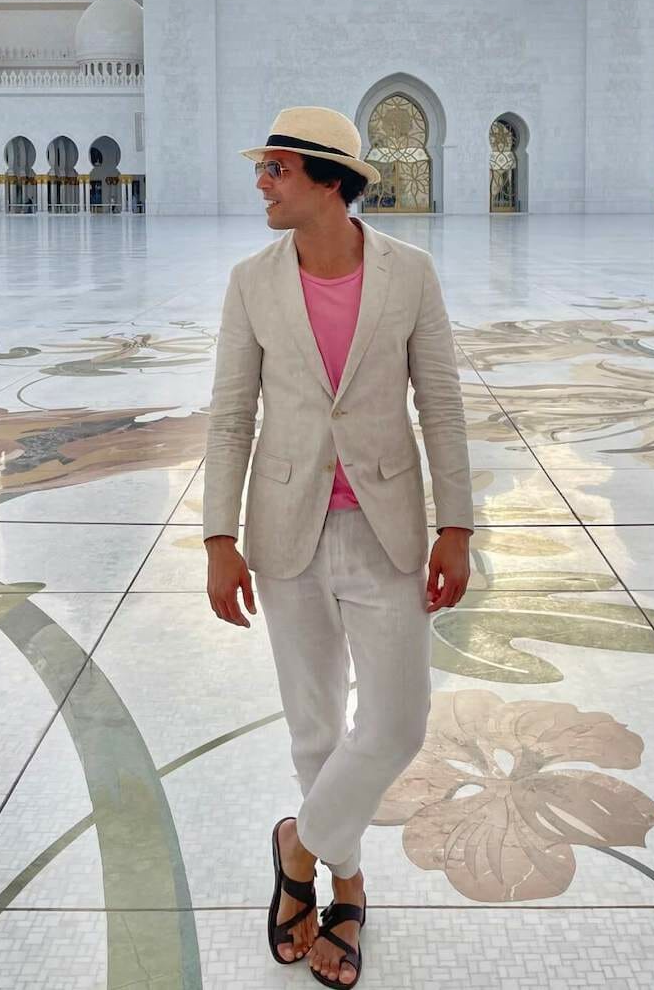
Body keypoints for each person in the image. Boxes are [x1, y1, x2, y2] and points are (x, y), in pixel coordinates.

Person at [204, 106, 473, 987]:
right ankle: (343, 888)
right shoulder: (252, 281)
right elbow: (232, 414)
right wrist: (218, 536)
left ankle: (297, 848)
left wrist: (457, 527)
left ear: (326, 180)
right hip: (286, 527)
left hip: (384, 522)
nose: (261, 184)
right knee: (316, 728)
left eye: (276, 169)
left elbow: (440, 402)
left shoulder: (409, 274)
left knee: (397, 720)